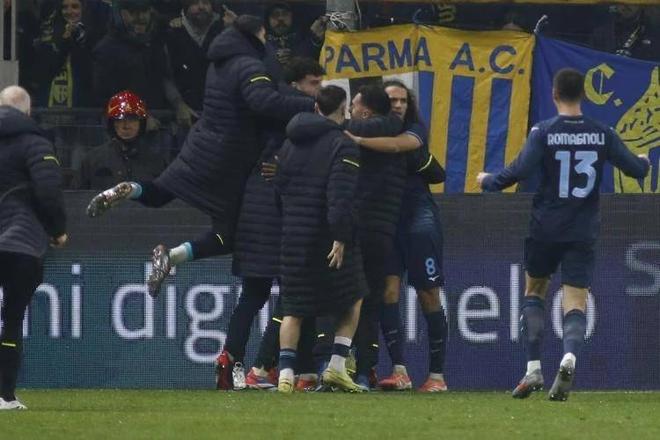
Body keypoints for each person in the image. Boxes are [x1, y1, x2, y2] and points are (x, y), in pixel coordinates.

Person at [86, 15, 313, 298]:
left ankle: (129, 190)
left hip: (200, 145)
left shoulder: (217, 64)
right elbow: (263, 101)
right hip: (228, 158)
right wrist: (313, 106)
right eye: (264, 36)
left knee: (159, 193)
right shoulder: (250, 65)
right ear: (256, 35)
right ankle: (173, 256)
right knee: (228, 234)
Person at [477, 68, 650, 401]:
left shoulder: (543, 131)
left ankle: (533, 368)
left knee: (534, 291)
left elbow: (520, 170)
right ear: (583, 95)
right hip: (582, 230)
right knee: (575, 301)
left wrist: (489, 181)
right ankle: (569, 355)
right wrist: (643, 162)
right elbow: (634, 168)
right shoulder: (602, 133)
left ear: (554, 94)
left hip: (545, 226)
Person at [216, 57, 324, 391]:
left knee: (253, 294)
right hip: (278, 213)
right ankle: (272, 367)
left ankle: (231, 358)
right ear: (294, 84)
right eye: (313, 83)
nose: (318, 90)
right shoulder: (297, 114)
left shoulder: (262, 112)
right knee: (296, 292)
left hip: (253, 209)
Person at [345, 80, 448, 392]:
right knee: (388, 293)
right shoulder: (366, 133)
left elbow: (403, 150)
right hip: (387, 221)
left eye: (403, 100)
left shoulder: (413, 131)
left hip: (418, 218)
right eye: (392, 101)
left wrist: (358, 140)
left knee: (428, 293)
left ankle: (437, 377)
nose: (399, 105)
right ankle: (399, 370)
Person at [274, 85, 365, 393]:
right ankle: (337, 365)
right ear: (343, 110)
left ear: (316, 108)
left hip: (292, 235)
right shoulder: (343, 145)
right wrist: (340, 237)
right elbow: (340, 196)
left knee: (293, 308)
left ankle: (286, 375)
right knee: (353, 295)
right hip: (326, 236)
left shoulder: (289, 143)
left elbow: (279, 189)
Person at [0, 86, 67, 410]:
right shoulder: (36, 143)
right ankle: (4, 396)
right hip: (21, 243)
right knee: (11, 320)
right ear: (28, 111)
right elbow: (48, 191)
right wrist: (58, 230)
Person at [76, 90, 168, 189]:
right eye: (119, 120)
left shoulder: (157, 162)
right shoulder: (93, 160)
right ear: (111, 124)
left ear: (141, 124)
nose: (126, 126)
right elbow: (76, 196)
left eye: (132, 119)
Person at [33, 0, 107, 108]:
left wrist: (78, 38)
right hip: (51, 99)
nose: (69, 11)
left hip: (84, 101)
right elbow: (46, 70)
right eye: (64, 7)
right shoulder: (50, 35)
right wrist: (65, 40)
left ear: (83, 9)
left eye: (75, 7)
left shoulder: (95, 34)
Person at [164, 0, 224, 124]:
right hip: (185, 117)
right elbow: (166, 76)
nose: (201, 7)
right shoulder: (172, 34)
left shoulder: (224, 32)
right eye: (195, 3)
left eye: (206, 2)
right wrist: (179, 104)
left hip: (220, 114)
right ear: (186, 6)